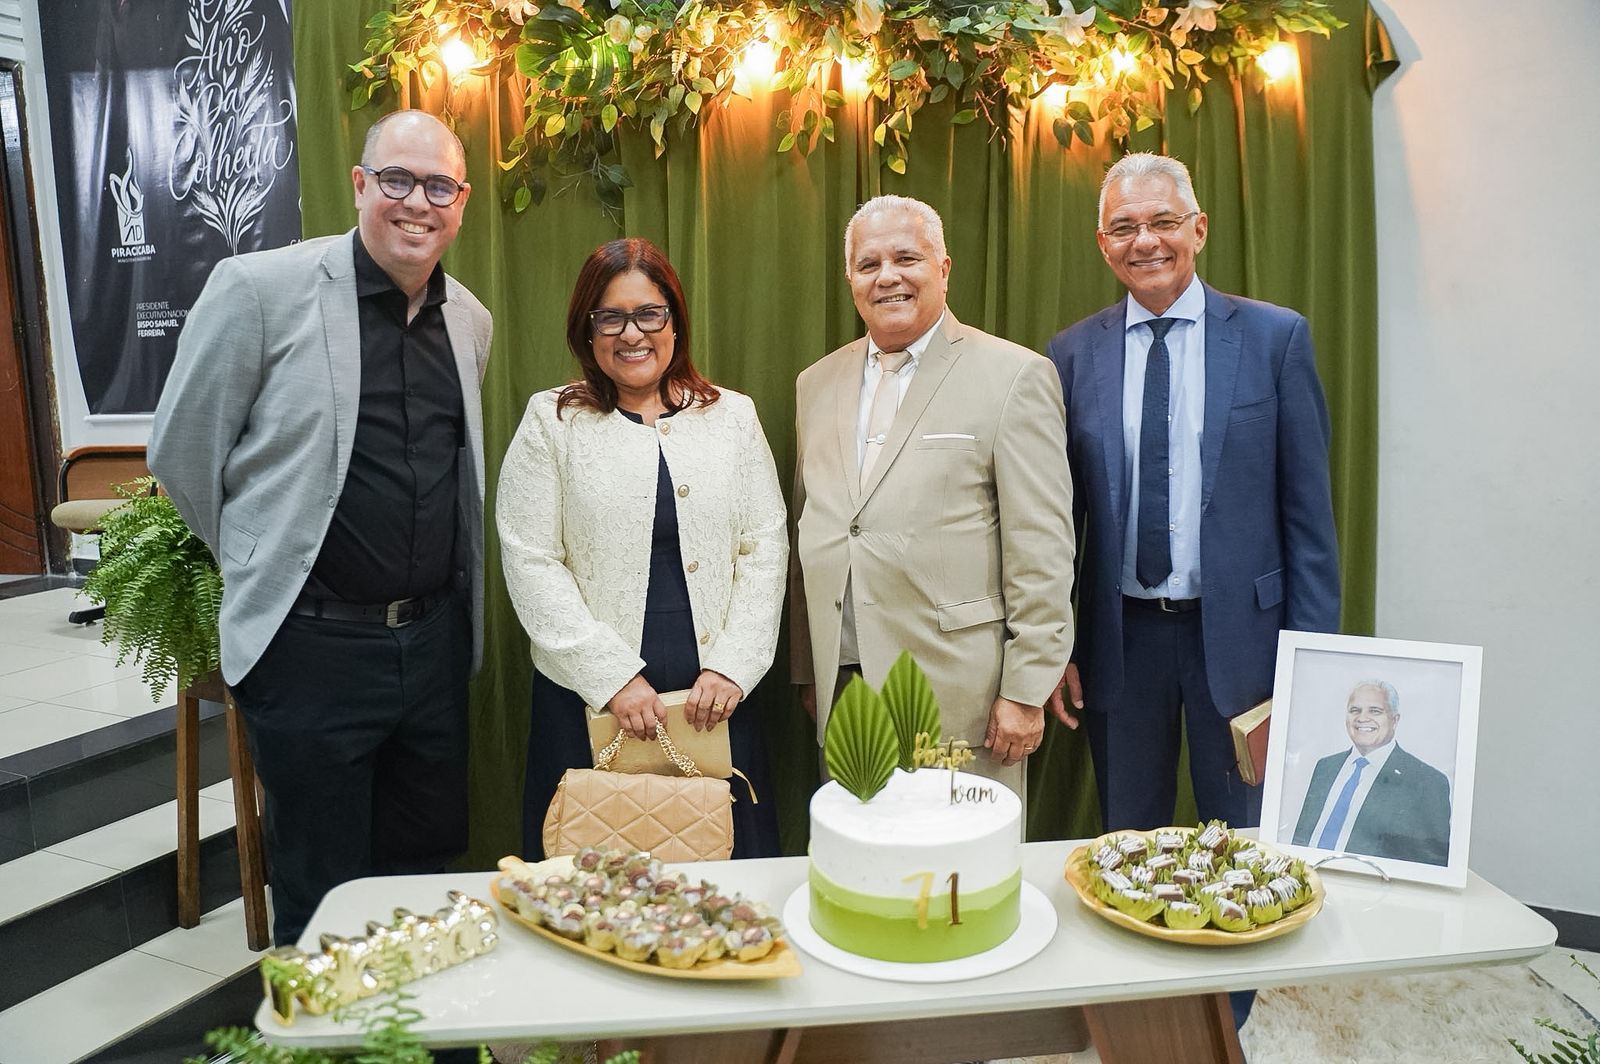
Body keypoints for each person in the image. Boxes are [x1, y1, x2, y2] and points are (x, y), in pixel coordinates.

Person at [149, 110, 493, 946]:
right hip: (311, 652)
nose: (418, 203)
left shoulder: (469, 321)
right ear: (361, 185)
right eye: (398, 180)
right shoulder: (258, 290)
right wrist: (261, 560)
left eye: (439, 186)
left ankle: (416, 1019)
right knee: (321, 893)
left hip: (432, 649)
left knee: (423, 882)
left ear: (461, 201)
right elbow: (183, 453)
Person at [1046, 152, 1342, 833]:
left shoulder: (1275, 339)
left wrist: (1313, 663)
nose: (1145, 241)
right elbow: (1057, 521)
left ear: (1199, 229)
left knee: (1246, 841)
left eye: (1163, 221)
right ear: (1103, 244)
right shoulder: (1072, 354)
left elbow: (1310, 523)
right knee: (1126, 836)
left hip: (1246, 643)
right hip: (1120, 643)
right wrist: (1054, 644)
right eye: (1124, 227)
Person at [498, 238, 786, 860]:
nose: (632, 334)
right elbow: (530, 558)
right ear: (588, 330)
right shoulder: (552, 421)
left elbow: (764, 547)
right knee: (593, 875)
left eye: (649, 313)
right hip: (588, 694)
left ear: (675, 321)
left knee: (723, 867)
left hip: (716, 695)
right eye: (611, 317)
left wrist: (733, 666)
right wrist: (610, 678)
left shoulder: (733, 417)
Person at [790, 195, 1076, 797]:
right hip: (845, 694)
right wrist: (809, 670)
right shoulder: (816, 383)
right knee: (858, 852)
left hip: (963, 698)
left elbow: (1042, 548)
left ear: (944, 269)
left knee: (959, 856)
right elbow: (812, 527)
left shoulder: (1013, 376)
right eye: (869, 264)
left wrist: (1026, 690)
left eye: (906, 258)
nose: (887, 277)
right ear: (850, 280)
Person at [1292, 680, 1451, 865]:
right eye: (1355, 710)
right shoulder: (1325, 767)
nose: (1362, 718)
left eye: (1375, 711)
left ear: (1395, 720)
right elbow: (1301, 840)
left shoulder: (1427, 782)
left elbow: (1432, 863)